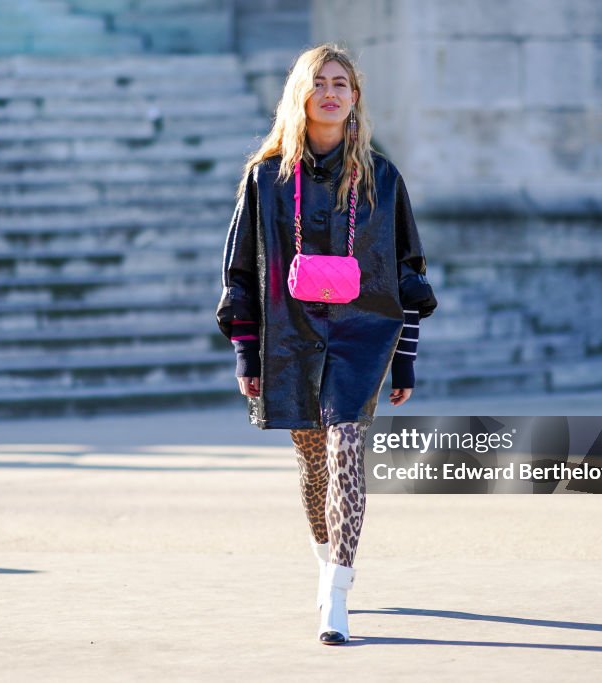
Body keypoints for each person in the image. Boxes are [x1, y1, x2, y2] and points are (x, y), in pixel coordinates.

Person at [215, 43, 437, 645]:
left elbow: (409, 274)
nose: (332, 92)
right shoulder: (265, 180)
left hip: (362, 336)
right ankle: (324, 557)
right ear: (300, 96)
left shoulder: (382, 180)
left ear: (356, 98)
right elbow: (240, 273)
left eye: (342, 82)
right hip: (289, 339)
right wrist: (246, 354)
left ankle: (338, 594)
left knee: (346, 453)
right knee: (314, 467)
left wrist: (405, 359)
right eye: (319, 83)